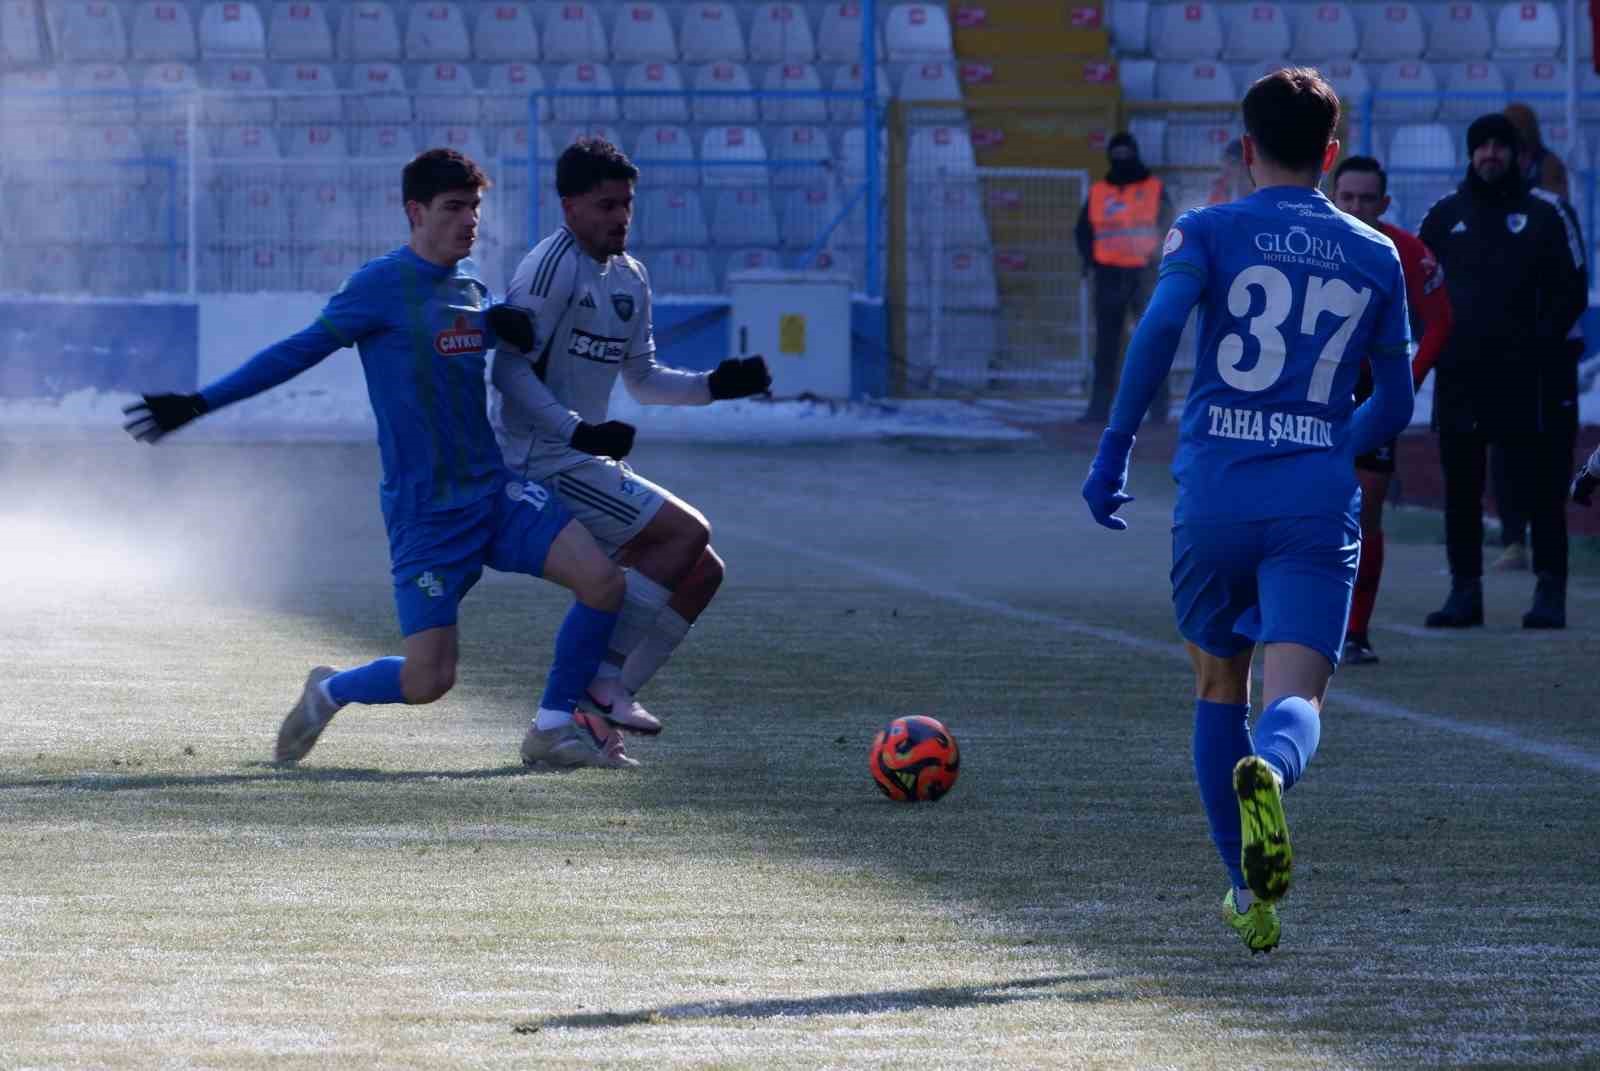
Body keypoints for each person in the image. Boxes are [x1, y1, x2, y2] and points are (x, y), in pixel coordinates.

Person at [122, 148, 644, 770]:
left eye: (475, 207)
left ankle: (553, 727)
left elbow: (473, 337)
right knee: (429, 681)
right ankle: (330, 690)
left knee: (603, 582)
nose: (469, 221)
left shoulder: (472, 283)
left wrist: (497, 325)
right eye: (453, 208)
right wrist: (200, 402)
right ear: (415, 212)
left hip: (493, 493)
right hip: (426, 515)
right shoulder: (380, 286)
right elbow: (299, 350)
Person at [1081, 68, 1415, 953]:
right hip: (1314, 499)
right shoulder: (1375, 252)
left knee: (1217, 683)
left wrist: (1113, 450)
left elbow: (1156, 333)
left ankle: (1246, 891)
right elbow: (1396, 401)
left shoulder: (1209, 228)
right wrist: (1336, 447)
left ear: (1244, 148)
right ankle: (1271, 767)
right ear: (1331, 155)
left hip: (1217, 495)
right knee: (1297, 692)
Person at [489, 138, 771, 732]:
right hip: (540, 458)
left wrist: (715, 385)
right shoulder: (549, 268)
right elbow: (509, 371)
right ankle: (601, 677)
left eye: (626, 205)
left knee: (702, 571)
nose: (619, 218)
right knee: (686, 532)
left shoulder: (631, 277)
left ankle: (606, 699)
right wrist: (577, 430)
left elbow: (641, 378)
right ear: (569, 207)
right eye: (605, 206)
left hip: (581, 454)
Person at [1418, 114, 1587, 630]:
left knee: (1541, 489)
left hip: (1533, 380)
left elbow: (1575, 287)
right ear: (1470, 154)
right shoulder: (1444, 216)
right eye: (1481, 146)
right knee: (1461, 490)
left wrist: (1534, 344)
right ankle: (1464, 593)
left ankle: (1550, 593)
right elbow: (1420, 285)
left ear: (1517, 154)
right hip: (1463, 380)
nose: (1490, 154)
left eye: (1500, 146)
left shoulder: (1549, 212)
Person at [1329, 155, 1455, 664]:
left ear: (1385, 203)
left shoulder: (1408, 251)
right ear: (1332, 197)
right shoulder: (1306, 240)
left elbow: (1440, 322)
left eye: (1366, 199)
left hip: (1373, 389)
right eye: (1347, 197)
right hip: (1311, 387)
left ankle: (1357, 632)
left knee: (1366, 508)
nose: (1357, 207)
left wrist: (1404, 382)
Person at [1492, 102, 1575, 570]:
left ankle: (1538, 537)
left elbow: (1555, 224)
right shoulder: (1496, 178)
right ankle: (1513, 536)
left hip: (1539, 334)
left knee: (1539, 447)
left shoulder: (1547, 171)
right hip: (1503, 334)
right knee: (1504, 446)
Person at [1075, 132, 1175, 424]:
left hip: (1144, 275)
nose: (1120, 160)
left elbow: (1169, 225)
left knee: (1151, 342)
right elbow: (1083, 231)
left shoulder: (1154, 189)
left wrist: (1158, 261)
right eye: (1115, 154)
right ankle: (1098, 410)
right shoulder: (1098, 192)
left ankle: (1158, 411)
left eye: (1125, 154)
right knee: (1106, 347)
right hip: (1108, 277)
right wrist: (1089, 261)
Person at [1207, 138, 1250, 205]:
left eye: (1233, 162)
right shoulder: (1220, 187)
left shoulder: (1258, 189)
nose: (1227, 167)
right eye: (1225, 161)